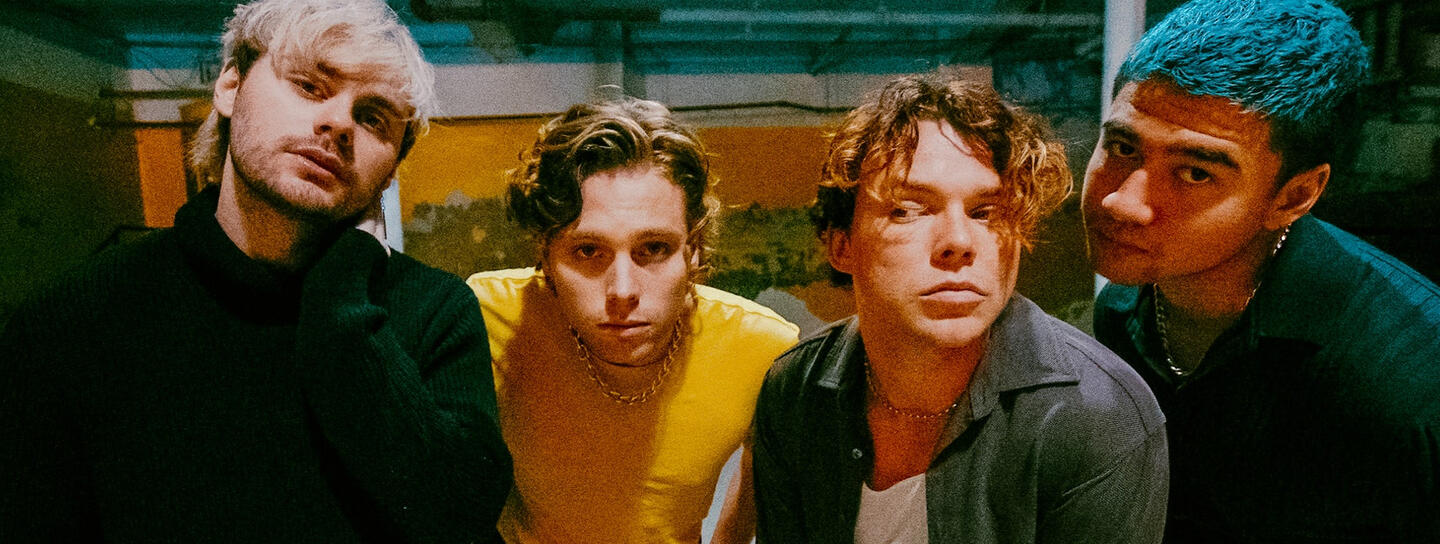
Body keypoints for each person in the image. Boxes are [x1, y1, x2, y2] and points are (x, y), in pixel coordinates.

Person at [0, 0, 512, 541]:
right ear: (230, 85)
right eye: (310, 86)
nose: (339, 123)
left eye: (372, 118)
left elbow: (461, 518)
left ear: (390, 171)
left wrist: (341, 306)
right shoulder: (76, 320)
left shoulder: (435, 311)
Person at [752, 74, 1168, 543]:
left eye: (986, 212)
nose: (958, 241)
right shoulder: (795, 389)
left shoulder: (1097, 415)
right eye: (908, 210)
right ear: (842, 244)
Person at [1083, 0, 1440, 540]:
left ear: (1294, 197)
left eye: (1195, 173)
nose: (1122, 203)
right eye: (1123, 146)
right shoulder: (1124, 308)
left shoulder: (1409, 377)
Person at [466, 98, 799, 543]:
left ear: (693, 248)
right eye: (588, 251)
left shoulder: (763, 347)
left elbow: (763, 479)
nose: (622, 291)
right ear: (545, 254)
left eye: (654, 248)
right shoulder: (485, 316)